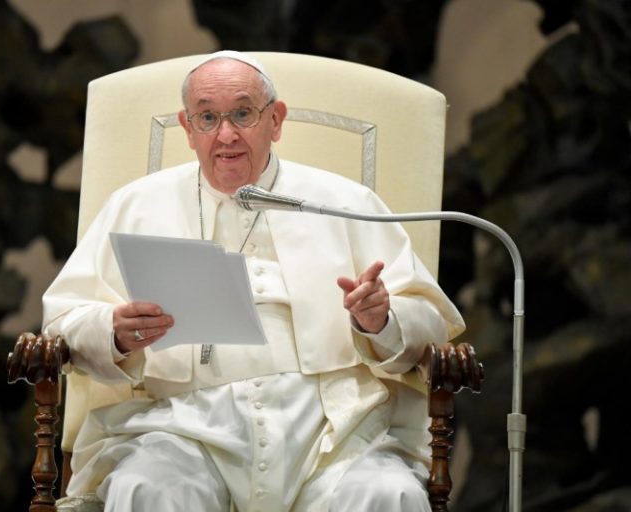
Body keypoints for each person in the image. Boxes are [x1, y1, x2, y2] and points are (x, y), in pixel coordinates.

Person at [42, 50, 465, 511]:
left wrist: (381, 321)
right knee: (149, 488)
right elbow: (62, 321)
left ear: (276, 120)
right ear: (187, 128)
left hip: (333, 427)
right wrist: (113, 333)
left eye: (243, 113)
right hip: (184, 425)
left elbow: (431, 326)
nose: (226, 135)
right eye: (207, 117)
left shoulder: (344, 201)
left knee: (387, 495)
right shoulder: (136, 205)